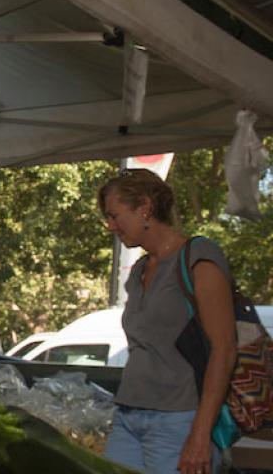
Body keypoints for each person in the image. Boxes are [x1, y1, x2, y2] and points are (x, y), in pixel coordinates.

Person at [98, 168, 235, 474]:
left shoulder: (198, 257)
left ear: (144, 207)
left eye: (115, 215)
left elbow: (224, 350)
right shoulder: (139, 271)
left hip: (179, 420)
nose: (110, 226)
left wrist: (200, 435)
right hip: (128, 415)